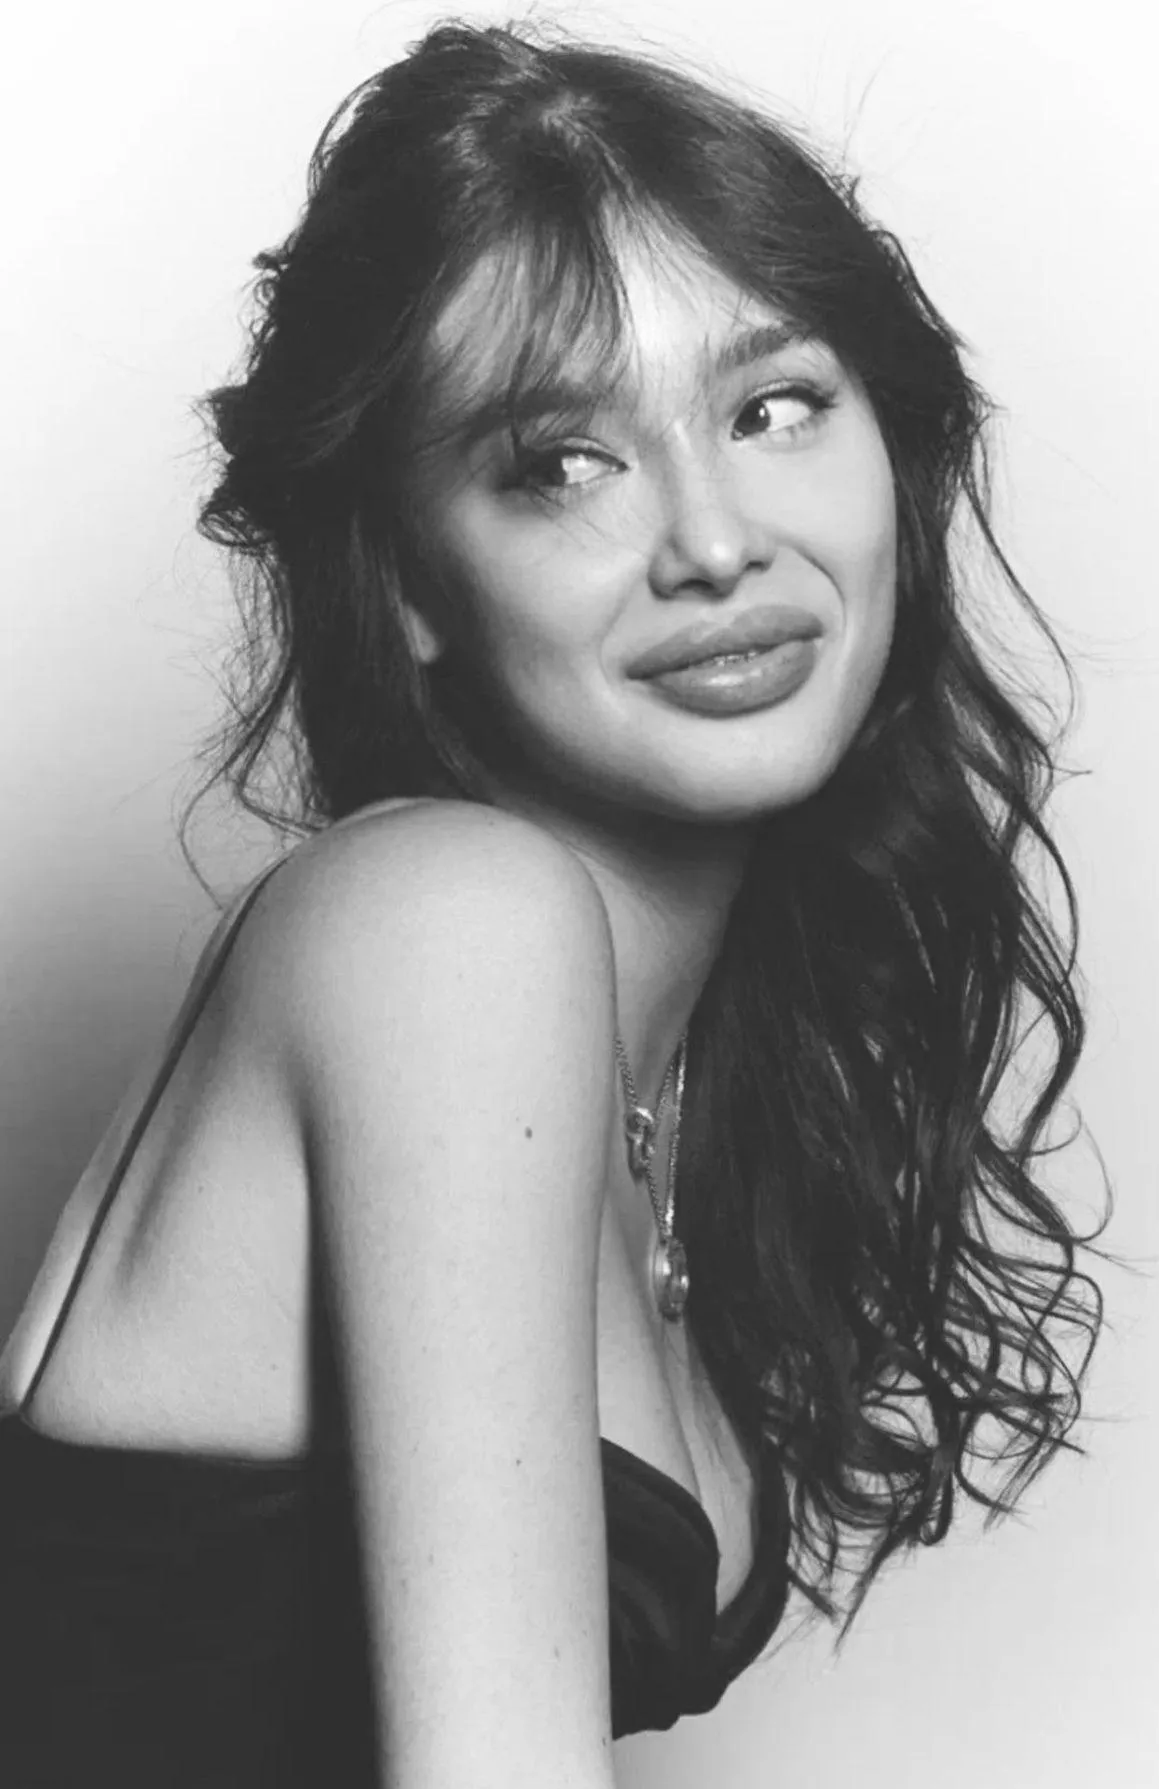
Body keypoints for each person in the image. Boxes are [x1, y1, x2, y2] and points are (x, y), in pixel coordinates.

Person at [0, 17, 1105, 1787]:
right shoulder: (448, 926)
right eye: (559, 462)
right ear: (408, 583)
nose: (713, 538)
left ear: (888, 461)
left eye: (771, 406)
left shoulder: (676, 1066)